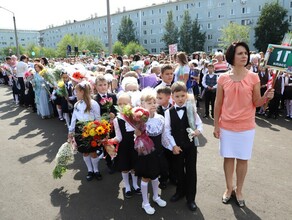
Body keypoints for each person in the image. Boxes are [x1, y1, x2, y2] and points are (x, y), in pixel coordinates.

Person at [213, 41, 274, 207]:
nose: (244, 56)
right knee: (228, 158)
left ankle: (239, 190)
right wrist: (216, 126)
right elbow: (218, 104)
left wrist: (267, 97)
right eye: (240, 53)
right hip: (226, 126)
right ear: (231, 56)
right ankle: (228, 188)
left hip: (246, 127)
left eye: (245, 53)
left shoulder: (253, 77)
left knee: (242, 159)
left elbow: (257, 102)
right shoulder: (223, 78)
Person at [163, 81, 203, 212]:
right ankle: (180, 192)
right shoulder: (169, 112)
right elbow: (167, 131)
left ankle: (191, 198)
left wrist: (198, 131)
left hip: (190, 146)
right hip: (177, 147)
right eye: (177, 96)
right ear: (172, 97)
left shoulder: (191, 109)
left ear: (186, 95)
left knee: (191, 171)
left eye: (182, 95)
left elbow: (199, 124)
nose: (180, 99)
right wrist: (173, 146)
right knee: (178, 170)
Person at [134, 88, 167, 215]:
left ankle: (156, 196)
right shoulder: (140, 121)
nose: (153, 104)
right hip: (146, 153)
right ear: (142, 105)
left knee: (155, 175)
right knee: (146, 177)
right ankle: (145, 202)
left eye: (154, 101)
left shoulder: (160, 118)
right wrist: (137, 131)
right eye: (149, 102)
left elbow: (163, 135)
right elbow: (136, 137)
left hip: (158, 152)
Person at [68, 81, 101, 181]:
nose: (75, 94)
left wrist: (99, 132)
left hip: (91, 129)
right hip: (80, 129)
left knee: (93, 151)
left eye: (76, 91)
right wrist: (71, 131)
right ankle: (89, 170)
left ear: (82, 92)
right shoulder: (77, 104)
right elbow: (74, 118)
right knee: (84, 152)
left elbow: (98, 118)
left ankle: (96, 170)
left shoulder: (94, 104)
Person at [110, 93, 140, 199]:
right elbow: (119, 137)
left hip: (135, 146)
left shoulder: (137, 117)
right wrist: (109, 141)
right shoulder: (117, 120)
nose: (122, 106)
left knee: (134, 167)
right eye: (120, 104)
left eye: (125, 103)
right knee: (125, 167)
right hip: (124, 147)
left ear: (131, 104)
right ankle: (127, 186)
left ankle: (135, 184)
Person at [94, 74, 117, 174]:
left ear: (108, 85)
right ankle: (109, 163)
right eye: (100, 85)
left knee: (115, 143)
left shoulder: (113, 96)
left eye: (104, 84)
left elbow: (117, 108)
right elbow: (95, 114)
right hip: (103, 127)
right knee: (106, 145)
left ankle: (117, 162)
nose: (103, 87)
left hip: (114, 126)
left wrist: (114, 114)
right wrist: (105, 117)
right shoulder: (95, 100)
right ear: (96, 86)